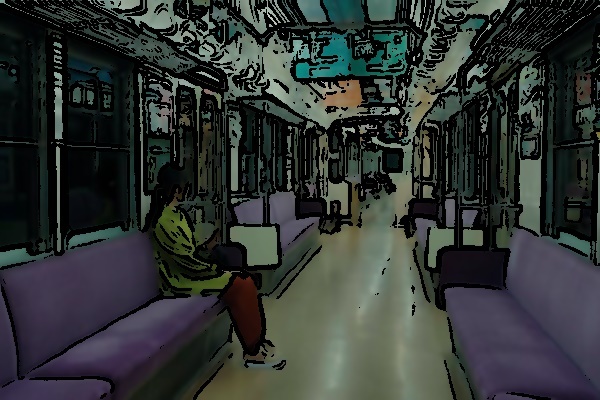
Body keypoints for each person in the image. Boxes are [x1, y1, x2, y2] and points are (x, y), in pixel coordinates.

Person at [145, 162, 285, 369]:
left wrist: (208, 247)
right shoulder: (164, 221)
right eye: (185, 187)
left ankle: (257, 342)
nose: (187, 191)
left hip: (191, 273)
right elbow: (186, 261)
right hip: (180, 280)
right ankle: (253, 352)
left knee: (245, 281)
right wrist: (217, 270)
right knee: (242, 285)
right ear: (176, 189)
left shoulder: (178, 215)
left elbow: (189, 250)